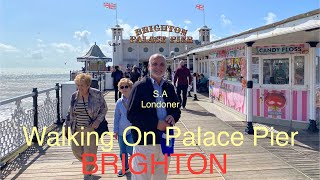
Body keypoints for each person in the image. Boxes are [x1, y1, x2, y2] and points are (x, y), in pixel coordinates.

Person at [127, 54, 181, 180]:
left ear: (166, 67)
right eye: (155, 64)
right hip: (145, 141)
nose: (158, 67)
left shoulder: (169, 87)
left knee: (161, 176)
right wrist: (155, 124)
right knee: (141, 176)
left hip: (165, 140)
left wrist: (173, 117)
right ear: (149, 66)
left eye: (162, 64)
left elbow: (176, 109)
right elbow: (132, 114)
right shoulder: (139, 86)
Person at [64, 73, 108, 180]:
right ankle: (89, 164)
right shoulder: (74, 96)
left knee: (89, 151)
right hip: (77, 128)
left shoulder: (97, 94)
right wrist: (66, 125)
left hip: (91, 128)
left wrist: (98, 121)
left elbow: (104, 108)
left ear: (88, 85)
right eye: (78, 85)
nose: (79, 88)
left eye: (82, 85)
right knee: (76, 151)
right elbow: (70, 112)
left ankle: (87, 174)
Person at [113, 78, 134, 177]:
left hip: (132, 130)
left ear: (130, 87)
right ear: (119, 89)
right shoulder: (119, 102)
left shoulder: (135, 100)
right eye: (122, 87)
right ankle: (124, 167)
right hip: (121, 131)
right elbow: (116, 117)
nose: (124, 89)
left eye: (126, 86)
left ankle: (135, 165)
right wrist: (115, 131)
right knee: (122, 151)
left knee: (131, 149)